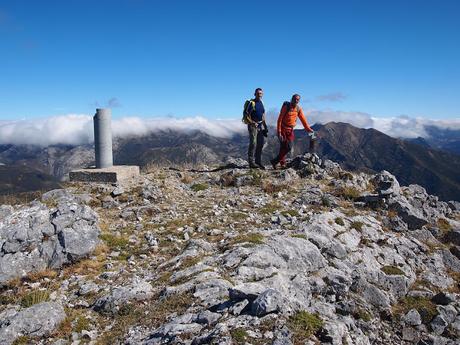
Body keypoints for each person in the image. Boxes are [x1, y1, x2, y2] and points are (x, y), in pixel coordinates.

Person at [271, 94, 314, 169]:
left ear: (299, 101)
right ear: (291, 99)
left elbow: (303, 121)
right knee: (284, 147)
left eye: (297, 99)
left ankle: (275, 161)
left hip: (290, 130)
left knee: (288, 147)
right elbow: (280, 119)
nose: (296, 101)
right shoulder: (286, 107)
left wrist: (309, 129)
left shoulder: (298, 109)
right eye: (294, 99)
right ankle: (282, 163)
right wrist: (279, 132)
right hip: (283, 129)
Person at [244, 88, 268, 169]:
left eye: (260, 93)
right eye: (258, 93)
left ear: (262, 94)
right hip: (253, 126)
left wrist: (265, 127)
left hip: (260, 126)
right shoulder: (252, 103)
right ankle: (251, 163)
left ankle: (258, 162)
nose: (259, 95)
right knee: (253, 143)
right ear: (254, 94)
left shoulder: (262, 103)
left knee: (260, 144)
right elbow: (246, 115)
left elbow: (263, 116)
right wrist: (253, 123)